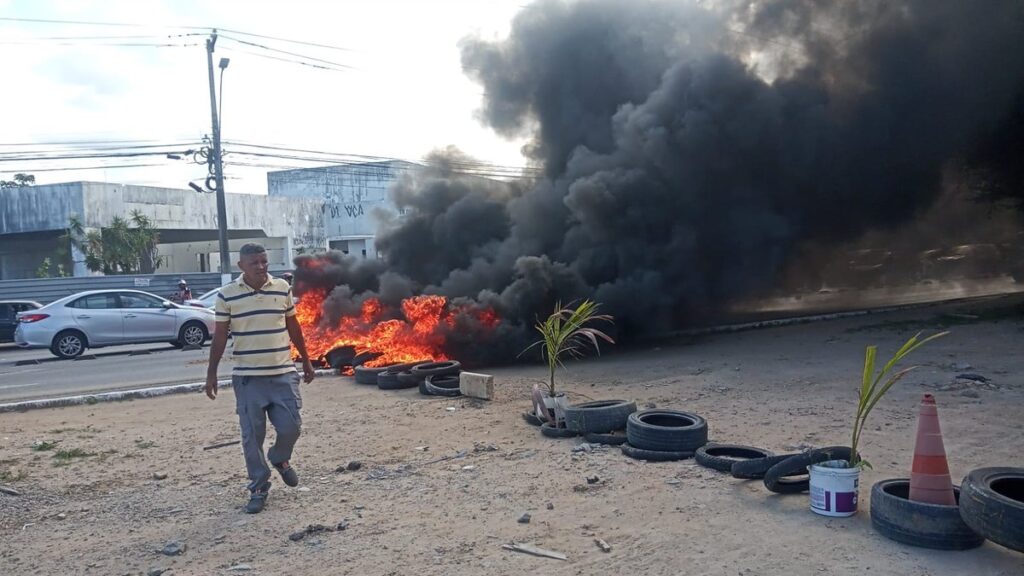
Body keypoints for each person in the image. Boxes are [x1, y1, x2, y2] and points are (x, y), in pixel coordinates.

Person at [205, 243, 316, 514]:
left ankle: (279, 457)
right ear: (241, 266)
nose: (261, 267)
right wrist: (211, 373)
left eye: (264, 261)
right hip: (248, 379)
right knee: (252, 437)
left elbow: (293, 326)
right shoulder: (227, 295)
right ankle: (258, 486)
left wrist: (306, 359)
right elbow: (220, 335)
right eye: (254, 262)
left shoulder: (282, 288)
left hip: (283, 374)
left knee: (292, 427)